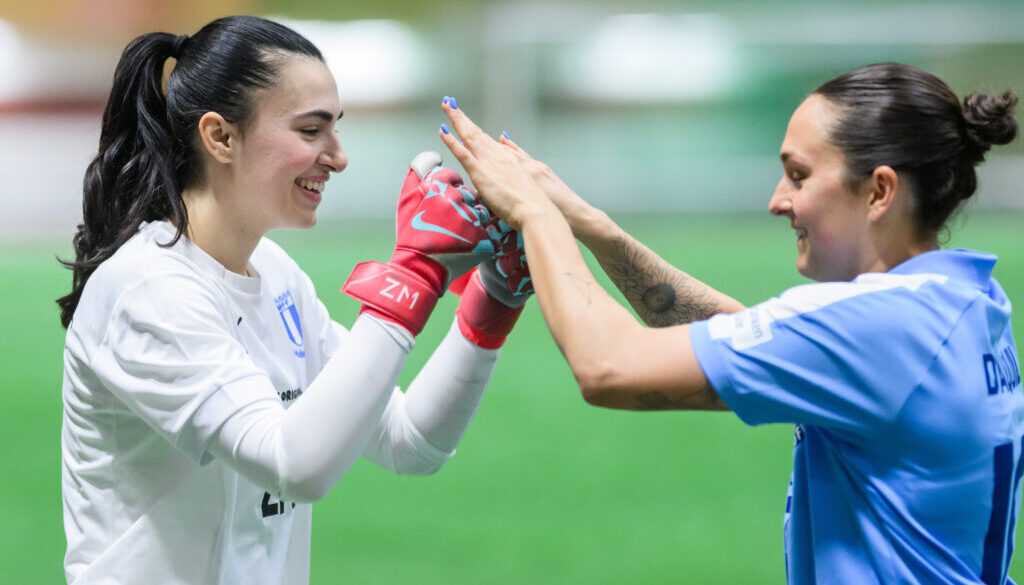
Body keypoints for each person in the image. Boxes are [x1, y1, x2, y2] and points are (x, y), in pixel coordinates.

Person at [437, 64, 1022, 583]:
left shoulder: (880, 327)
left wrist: (534, 216)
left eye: (798, 175)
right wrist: (593, 227)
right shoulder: (961, 303)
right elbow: (756, 338)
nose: (776, 200)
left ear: (879, 191)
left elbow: (607, 367)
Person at [57, 16, 531, 585]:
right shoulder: (147, 289)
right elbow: (294, 465)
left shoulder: (276, 275)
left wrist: (490, 302)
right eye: (312, 131)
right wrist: (416, 272)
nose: (337, 155)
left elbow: (410, 442)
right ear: (220, 137)